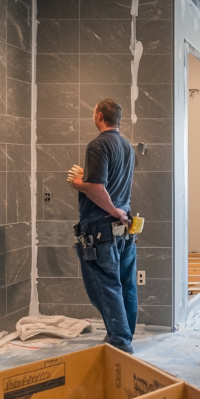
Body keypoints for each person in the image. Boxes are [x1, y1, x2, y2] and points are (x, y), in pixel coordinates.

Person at [67, 99, 138, 353]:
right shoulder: (128, 147)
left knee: (106, 287)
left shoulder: (97, 145)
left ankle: (120, 343)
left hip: (101, 229)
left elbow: (97, 189)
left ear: (98, 116)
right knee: (125, 284)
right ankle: (124, 334)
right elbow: (110, 183)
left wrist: (78, 183)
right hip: (124, 230)